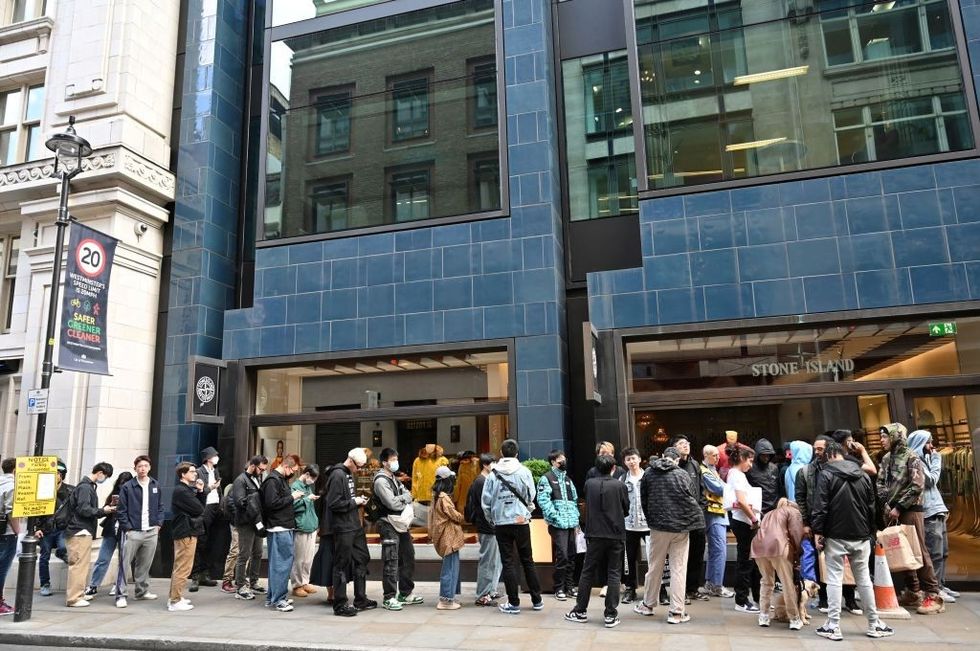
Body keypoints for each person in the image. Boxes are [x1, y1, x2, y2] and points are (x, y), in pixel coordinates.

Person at [812, 443, 895, 641]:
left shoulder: (825, 475)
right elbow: (871, 506)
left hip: (835, 535)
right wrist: (870, 532)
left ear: (831, 455)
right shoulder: (863, 475)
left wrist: (818, 531)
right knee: (864, 579)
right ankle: (874, 623)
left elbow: (820, 506)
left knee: (834, 578)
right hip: (861, 535)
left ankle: (833, 625)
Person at [877, 423, 944, 615]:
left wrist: (899, 506)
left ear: (895, 436)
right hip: (891, 510)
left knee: (918, 550)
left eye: (885, 436)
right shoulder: (887, 458)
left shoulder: (912, 456)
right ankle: (913, 591)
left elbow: (917, 485)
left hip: (911, 509)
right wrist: (886, 504)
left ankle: (933, 594)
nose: (882, 440)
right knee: (901, 550)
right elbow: (880, 482)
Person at [634, 447, 704, 624]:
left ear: (663, 456)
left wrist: (651, 520)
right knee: (678, 568)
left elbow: (644, 499)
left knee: (655, 565)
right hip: (680, 527)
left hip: (658, 527)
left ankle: (648, 605)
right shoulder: (682, 474)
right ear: (678, 460)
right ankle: (676, 612)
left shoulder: (649, 473)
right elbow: (693, 497)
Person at [564, 454, 630, 628]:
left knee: (587, 572)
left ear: (596, 468)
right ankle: (610, 614)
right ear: (613, 468)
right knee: (614, 573)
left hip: (594, 534)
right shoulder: (620, 485)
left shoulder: (589, 484)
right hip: (615, 533)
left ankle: (580, 610)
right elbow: (626, 509)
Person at [481, 438, 542, 615]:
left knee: (507, 562)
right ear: (516, 453)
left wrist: (491, 519)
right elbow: (531, 494)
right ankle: (537, 599)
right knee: (527, 560)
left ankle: (514, 603)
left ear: (501, 453)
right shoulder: (524, 471)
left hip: (501, 522)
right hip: (521, 520)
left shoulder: (493, 474)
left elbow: (486, 501)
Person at [323, 448, 375, 616]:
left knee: (362, 558)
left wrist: (357, 502)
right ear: (351, 461)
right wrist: (355, 502)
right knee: (341, 564)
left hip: (353, 524)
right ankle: (340, 604)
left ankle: (360, 599)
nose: (359, 470)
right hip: (343, 526)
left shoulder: (348, 474)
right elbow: (333, 503)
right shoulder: (337, 475)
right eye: (358, 466)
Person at [908, 430, 958, 603]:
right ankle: (934, 588)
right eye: (928, 443)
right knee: (934, 552)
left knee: (942, 552)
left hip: (937, 510)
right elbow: (932, 480)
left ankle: (941, 585)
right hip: (928, 512)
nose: (932, 446)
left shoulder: (925, 459)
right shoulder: (916, 461)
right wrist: (937, 460)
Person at [373, 448, 421, 611]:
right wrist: (404, 499)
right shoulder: (381, 481)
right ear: (384, 462)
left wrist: (403, 498)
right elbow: (391, 503)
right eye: (392, 459)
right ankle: (389, 597)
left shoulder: (393, 477)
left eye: (396, 459)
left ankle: (405, 593)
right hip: (388, 523)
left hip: (401, 523)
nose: (395, 462)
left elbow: (408, 493)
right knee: (391, 560)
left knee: (408, 556)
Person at [65, 462, 116, 608]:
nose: (104, 479)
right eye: (105, 476)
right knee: (79, 566)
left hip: (80, 530)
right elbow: (84, 509)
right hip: (80, 530)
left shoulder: (85, 486)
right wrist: (103, 511)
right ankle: (74, 598)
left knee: (80, 565)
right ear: (100, 472)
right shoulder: (86, 487)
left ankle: (77, 595)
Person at [750, 497, 805, 630]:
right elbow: (796, 534)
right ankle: (794, 618)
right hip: (778, 547)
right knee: (787, 583)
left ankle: (763, 615)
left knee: (766, 581)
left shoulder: (769, 513)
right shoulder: (793, 512)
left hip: (759, 547)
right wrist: (798, 552)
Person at [117, 455, 164, 603]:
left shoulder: (155, 485)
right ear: (135, 468)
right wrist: (128, 528)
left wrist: (158, 524)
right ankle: (121, 595)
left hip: (151, 531)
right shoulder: (128, 487)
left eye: (145, 466)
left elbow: (160, 506)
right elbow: (121, 510)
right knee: (125, 564)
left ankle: (141, 591)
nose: (142, 468)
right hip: (133, 531)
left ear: (149, 468)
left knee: (144, 564)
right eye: (139, 466)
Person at [261, 453, 301, 612]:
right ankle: (278, 599)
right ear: (286, 466)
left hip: (282, 526)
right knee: (282, 564)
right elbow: (271, 504)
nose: (293, 473)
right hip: (279, 527)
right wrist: (292, 497)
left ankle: (274, 597)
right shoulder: (273, 481)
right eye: (293, 470)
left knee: (278, 564)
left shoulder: (278, 480)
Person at [537, 449, 579, 601]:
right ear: (553, 462)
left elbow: (574, 501)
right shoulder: (546, 478)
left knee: (572, 556)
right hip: (558, 524)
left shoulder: (568, 479)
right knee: (562, 555)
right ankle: (559, 587)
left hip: (571, 524)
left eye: (564, 458)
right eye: (560, 459)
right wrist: (555, 517)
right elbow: (543, 501)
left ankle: (569, 586)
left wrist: (576, 520)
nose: (563, 461)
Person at [84, 471, 133, 600]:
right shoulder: (113, 495)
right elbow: (103, 510)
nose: (123, 486)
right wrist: (110, 507)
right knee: (103, 559)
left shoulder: (134, 495)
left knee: (123, 560)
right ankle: (93, 585)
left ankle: (118, 585)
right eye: (121, 483)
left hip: (125, 529)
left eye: (126, 483)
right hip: (111, 529)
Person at [673, 436, 708, 603]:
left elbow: (702, 490)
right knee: (680, 556)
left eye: (687, 443)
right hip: (679, 519)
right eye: (681, 444)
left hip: (696, 516)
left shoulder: (695, 465)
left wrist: (701, 509)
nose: (685, 446)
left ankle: (693, 588)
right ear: (674, 448)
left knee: (697, 553)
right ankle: (681, 591)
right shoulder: (672, 466)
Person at [726, 446, 761, 613]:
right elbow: (741, 501)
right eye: (750, 460)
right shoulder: (737, 476)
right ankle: (741, 600)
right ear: (741, 458)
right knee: (745, 561)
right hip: (743, 521)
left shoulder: (736, 475)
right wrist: (754, 519)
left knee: (748, 560)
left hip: (742, 520)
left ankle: (754, 598)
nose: (751, 465)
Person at [231, 455, 268, 600]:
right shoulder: (240, 480)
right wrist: (255, 501)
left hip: (257, 521)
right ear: (252, 465)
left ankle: (254, 582)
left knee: (258, 553)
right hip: (246, 522)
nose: (262, 472)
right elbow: (240, 502)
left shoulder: (257, 479)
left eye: (264, 469)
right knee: (244, 554)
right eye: (260, 469)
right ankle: (240, 585)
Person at [466, 452, 501, 606]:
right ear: (486, 465)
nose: (495, 465)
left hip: (491, 527)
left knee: (495, 561)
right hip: (487, 527)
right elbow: (486, 506)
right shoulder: (481, 482)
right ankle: (482, 594)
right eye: (493, 462)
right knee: (488, 561)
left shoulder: (486, 480)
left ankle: (491, 590)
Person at [170, 462, 205, 611]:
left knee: (183, 566)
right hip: (185, 531)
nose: (195, 474)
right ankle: (174, 600)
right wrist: (199, 494)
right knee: (183, 567)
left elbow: (199, 507)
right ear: (183, 474)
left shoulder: (186, 490)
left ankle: (177, 596)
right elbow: (199, 508)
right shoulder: (182, 491)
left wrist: (201, 491)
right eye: (191, 472)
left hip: (188, 530)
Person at [699, 445, 733, 598]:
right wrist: (733, 488)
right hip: (714, 515)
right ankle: (717, 585)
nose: (718, 458)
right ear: (706, 455)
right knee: (719, 551)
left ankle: (711, 583)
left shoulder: (712, 470)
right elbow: (720, 489)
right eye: (714, 455)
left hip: (718, 514)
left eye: (718, 455)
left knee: (715, 551)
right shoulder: (705, 471)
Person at [430, 465, 465, 610]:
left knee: (451, 567)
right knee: (450, 568)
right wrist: (462, 517)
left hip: (447, 537)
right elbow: (454, 515)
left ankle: (449, 598)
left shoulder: (438, 495)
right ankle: (445, 601)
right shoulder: (444, 498)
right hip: (448, 538)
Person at [37, 458, 72, 597]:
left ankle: (60, 553)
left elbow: (74, 510)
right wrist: (36, 528)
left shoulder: (70, 490)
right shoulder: (42, 491)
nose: (54, 475)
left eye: (57, 473)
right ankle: (45, 584)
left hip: (63, 528)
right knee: (44, 556)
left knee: (63, 547)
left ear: (61, 475)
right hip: (46, 529)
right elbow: (34, 511)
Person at [191, 446, 222, 590]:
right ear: (208, 458)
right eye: (215, 455)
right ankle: (196, 575)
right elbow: (199, 492)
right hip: (205, 508)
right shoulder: (199, 472)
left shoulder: (215, 470)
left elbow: (219, 490)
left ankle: (206, 573)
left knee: (210, 541)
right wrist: (211, 487)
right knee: (201, 542)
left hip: (216, 506)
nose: (217, 458)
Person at [620, 447, 647, 604]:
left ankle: (660, 589)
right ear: (624, 462)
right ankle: (631, 589)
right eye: (628, 459)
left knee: (655, 559)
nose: (631, 461)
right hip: (629, 525)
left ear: (639, 459)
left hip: (649, 525)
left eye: (633, 458)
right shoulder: (622, 480)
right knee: (628, 559)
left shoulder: (648, 477)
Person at [290, 462, 320, 599]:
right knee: (299, 558)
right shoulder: (295, 487)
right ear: (307, 474)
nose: (312, 481)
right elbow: (293, 506)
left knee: (308, 558)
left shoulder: (308, 486)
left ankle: (305, 581)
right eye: (312, 478)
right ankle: (297, 585)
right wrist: (308, 500)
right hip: (301, 526)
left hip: (311, 525)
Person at [0, 458, 20, 615]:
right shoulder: (12, 486)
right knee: (2, 568)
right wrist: (17, 530)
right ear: (14, 470)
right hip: (6, 532)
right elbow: (10, 511)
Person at [747, 438, 781, 516]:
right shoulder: (750, 468)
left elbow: (779, 488)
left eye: (768, 455)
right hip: (758, 509)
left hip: (774, 508)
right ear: (758, 455)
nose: (766, 458)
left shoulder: (774, 468)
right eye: (763, 455)